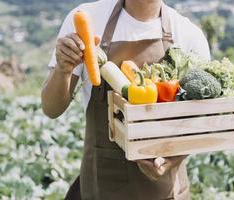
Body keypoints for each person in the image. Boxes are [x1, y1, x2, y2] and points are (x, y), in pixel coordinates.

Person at [41, 0, 210, 199]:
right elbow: (51, 108)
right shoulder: (86, 20)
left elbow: (198, 125)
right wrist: (63, 69)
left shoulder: (188, 34)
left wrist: (173, 158)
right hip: (102, 187)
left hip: (166, 190)